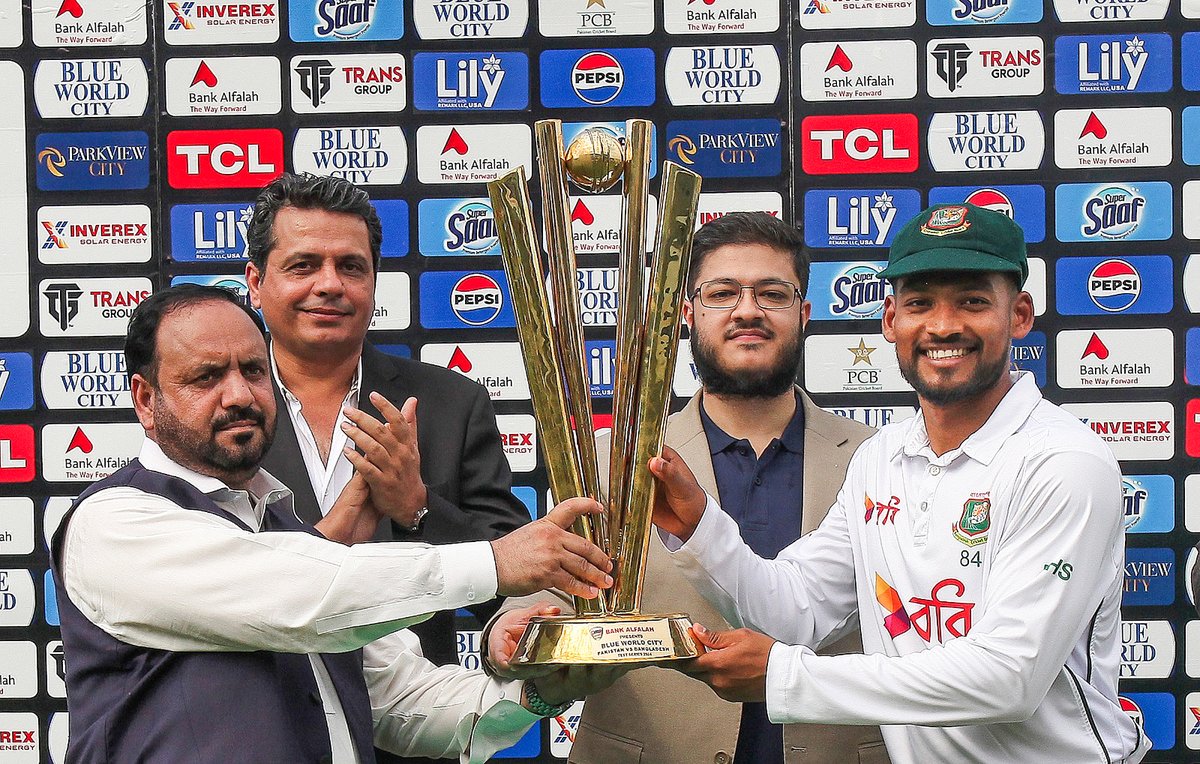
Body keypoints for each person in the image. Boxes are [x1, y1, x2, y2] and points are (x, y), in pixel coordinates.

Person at [650, 204, 1149, 763]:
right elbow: (798, 609)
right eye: (919, 304)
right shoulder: (881, 458)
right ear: (889, 320)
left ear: (1020, 315)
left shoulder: (1064, 462)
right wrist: (699, 529)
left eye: (973, 302)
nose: (942, 326)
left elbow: (1009, 678)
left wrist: (786, 677)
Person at [51, 284, 623, 763]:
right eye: (205, 377)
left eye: (253, 370)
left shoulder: (281, 529)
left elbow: (407, 701)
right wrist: (496, 562)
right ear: (146, 400)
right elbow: (306, 596)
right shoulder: (114, 521)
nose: (238, 394)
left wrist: (538, 693)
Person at [488, 213, 887, 763]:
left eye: (773, 293)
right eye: (723, 293)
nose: (748, 310)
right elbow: (550, 586)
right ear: (688, 313)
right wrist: (512, 629)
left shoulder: (880, 461)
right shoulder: (615, 461)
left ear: (805, 313)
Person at [244, 176, 529, 706]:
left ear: (374, 282)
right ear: (256, 283)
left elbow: (510, 576)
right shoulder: (217, 413)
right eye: (303, 266)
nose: (330, 285)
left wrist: (419, 509)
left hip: (417, 724)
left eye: (351, 266)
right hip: (260, 720)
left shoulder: (451, 404)